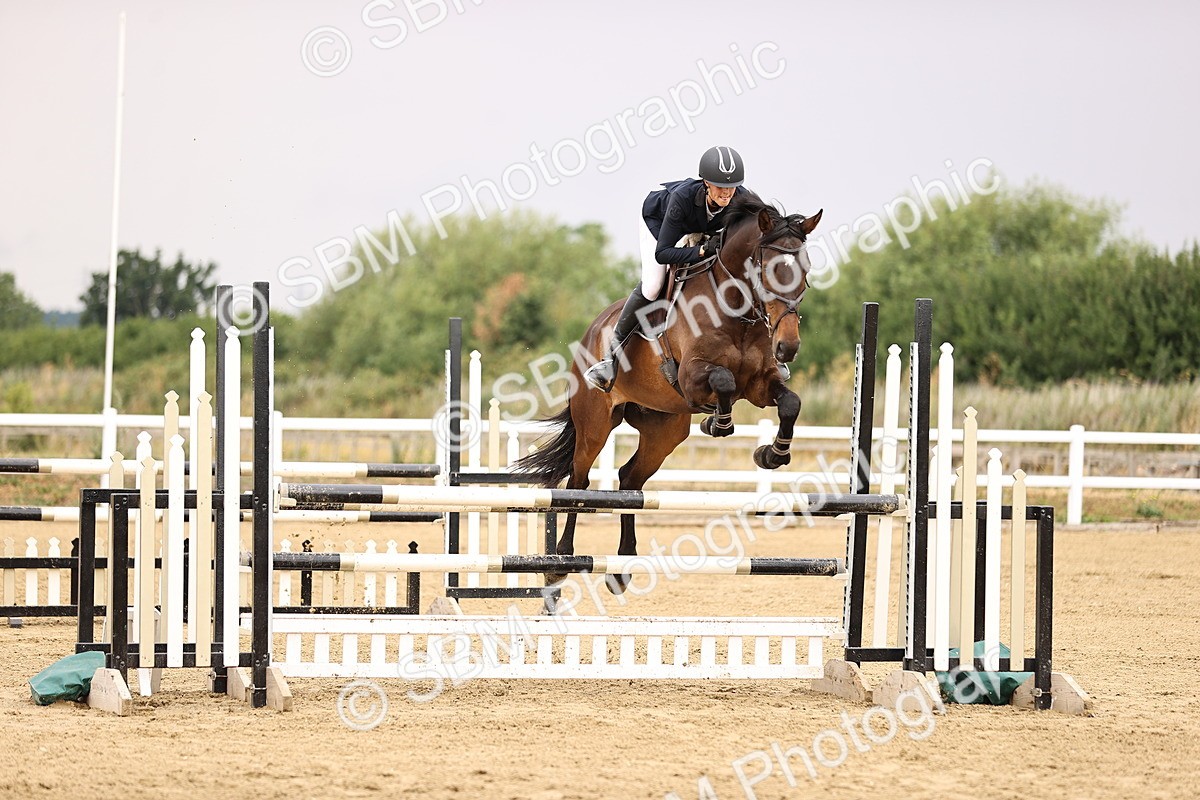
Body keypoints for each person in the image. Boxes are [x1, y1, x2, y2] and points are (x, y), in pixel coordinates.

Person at [583, 145, 748, 392]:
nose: (726, 193)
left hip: (699, 223)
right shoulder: (681, 199)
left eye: (731, 187)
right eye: (720, 186)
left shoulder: (741, 198)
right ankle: (610, 358)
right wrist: (701, 251)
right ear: (705, 183)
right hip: (660, 219)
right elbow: (663, 253)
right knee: (653, 284)